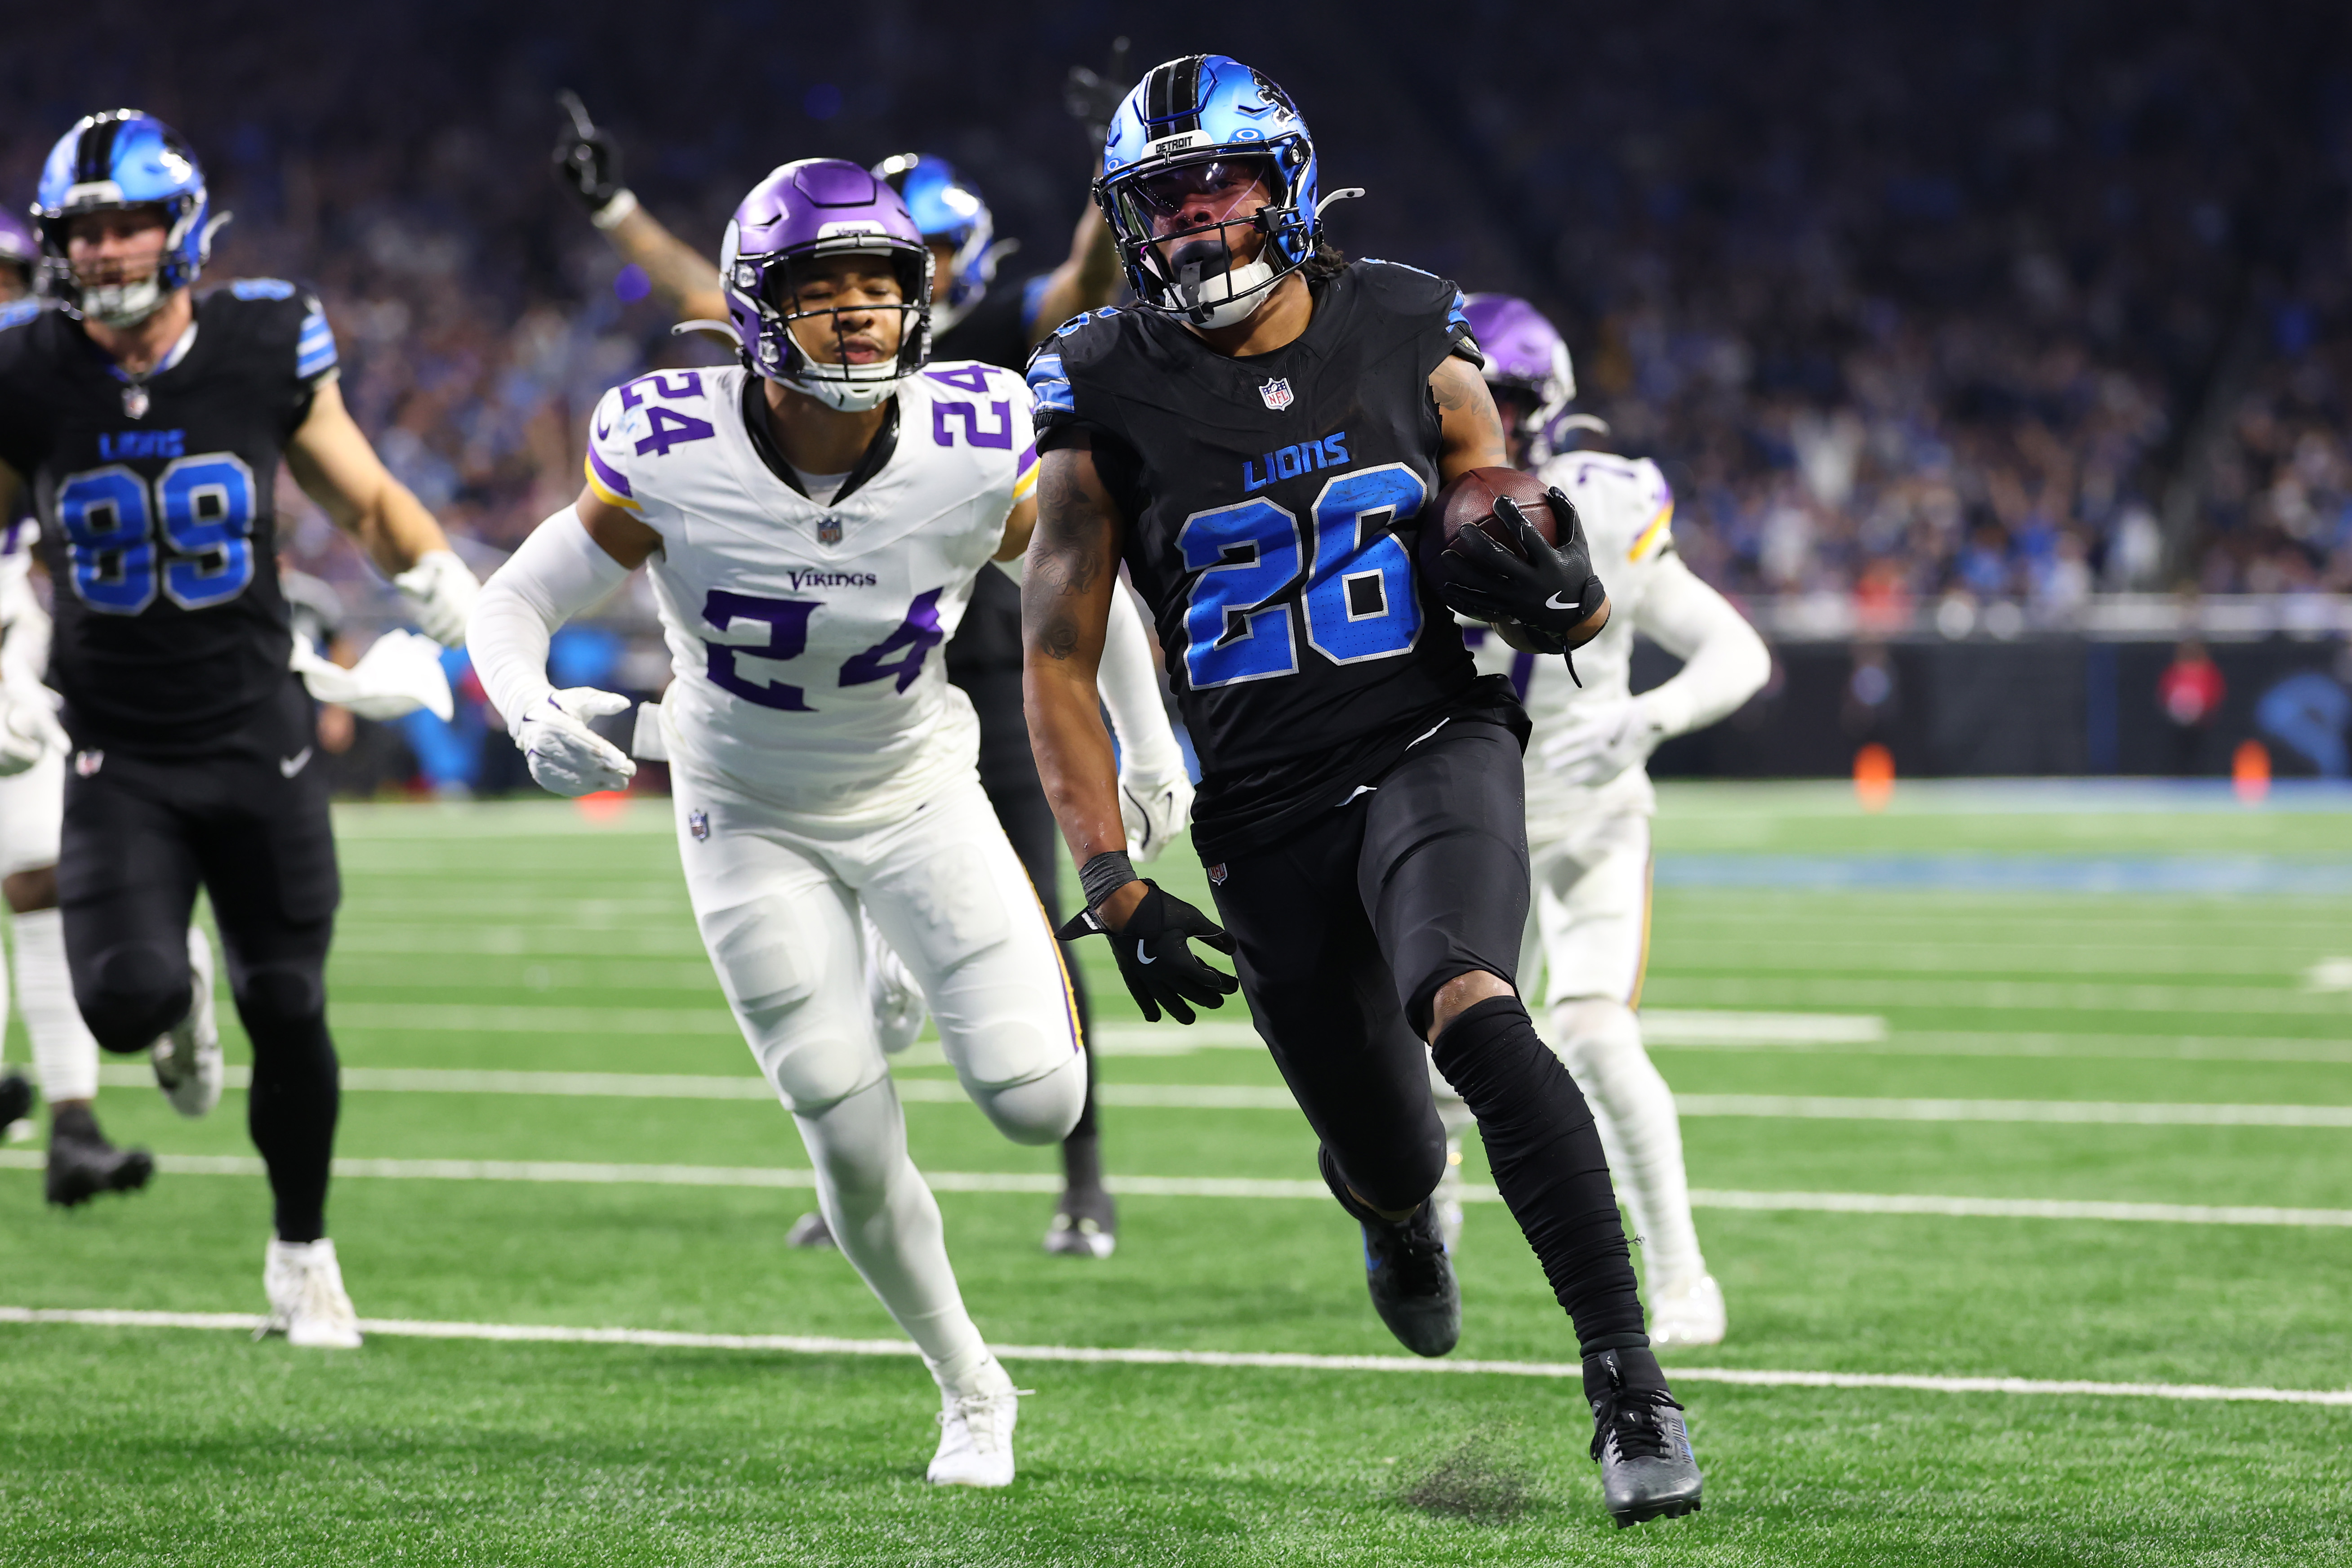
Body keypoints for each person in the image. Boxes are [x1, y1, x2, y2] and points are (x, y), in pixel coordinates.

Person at [1019, 56, 1703, 1526]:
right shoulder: (1100, 381)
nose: (1196, 220)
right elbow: (1058, 654)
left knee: (1476, 1005)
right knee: (1386, 1151)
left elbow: (1519, 542)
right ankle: (1399, 1215)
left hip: (1427, 738)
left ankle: (1629, 1385)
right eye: (1164, 200)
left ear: (1287, 184)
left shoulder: (1405, 321)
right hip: (1262, 807)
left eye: (1220, 185)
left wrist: (1569, 591)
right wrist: (1110, 875)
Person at [469, 160, 1181, 1488]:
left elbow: (1079, 590)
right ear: (755, 307)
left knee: (1042, 1101)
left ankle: (893, 948)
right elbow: (511, 602)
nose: (857, 311)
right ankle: (971, 1385)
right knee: (842, 1130)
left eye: (880, 283)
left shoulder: (977, 430)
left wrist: (1147, 745)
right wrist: (522, 705)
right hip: (747, 812)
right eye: (821, 286)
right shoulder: (670, 444)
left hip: (918, 790)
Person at [550, 96, 1164, 1258]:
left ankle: (1082, 1180)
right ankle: (862, 1171)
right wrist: (617, 210)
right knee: (817, 945)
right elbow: (713, 291)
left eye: (906, 265)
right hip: (845, 694)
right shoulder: (806, 348)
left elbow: (1088, 279)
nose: (864, 299)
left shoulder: (989, 355)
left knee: (1037, 918)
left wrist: (1109, 171)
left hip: (995, 678)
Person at [0, 110, 481, 1341]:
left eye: (128, 225)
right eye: (83, 232)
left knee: (291, 1002)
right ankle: (178, 994)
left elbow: (364, 499)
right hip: (119, 747)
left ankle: (302, 1253)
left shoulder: (264, 339)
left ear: (182, 228)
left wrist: (450, 594)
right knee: (124, 1003)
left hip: (259, 732)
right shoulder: (26, 368)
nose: (105, 251)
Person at [1440, 293, 1770, 1348]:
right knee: (1441, 1060)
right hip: (1467, 816)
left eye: (1506, 395)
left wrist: (1648, 717)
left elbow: (1736, 650)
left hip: (1587, 813)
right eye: (1469, 388)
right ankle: (1424, 1235)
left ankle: (1682, 1277)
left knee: (1593, 1033)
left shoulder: (1605, 501)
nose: (1487, 413)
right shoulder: (1394, 497)